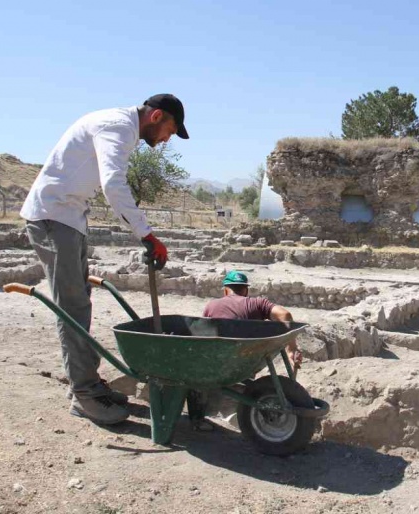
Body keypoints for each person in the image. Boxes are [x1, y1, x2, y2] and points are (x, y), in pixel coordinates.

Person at [20, 94, 189, 425]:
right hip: (54, 218)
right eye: (170, 129)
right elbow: (114, 184)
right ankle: (84, 394)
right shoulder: (118, 128)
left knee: (80, 303)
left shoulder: (120, 127)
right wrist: (147, 234)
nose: (167, 139)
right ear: (156, 116)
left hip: (69, 218)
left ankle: (88, 383)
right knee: (72, 307)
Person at [186, 271, 303, 431]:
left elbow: (203, 335)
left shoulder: (211, 306)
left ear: (226, 290)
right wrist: (291, 349)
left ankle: (197, 420)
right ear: (246, 290)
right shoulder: (257, 303)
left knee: (191, 374)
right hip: (246, 363)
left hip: (216, 364)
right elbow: (285, 315)